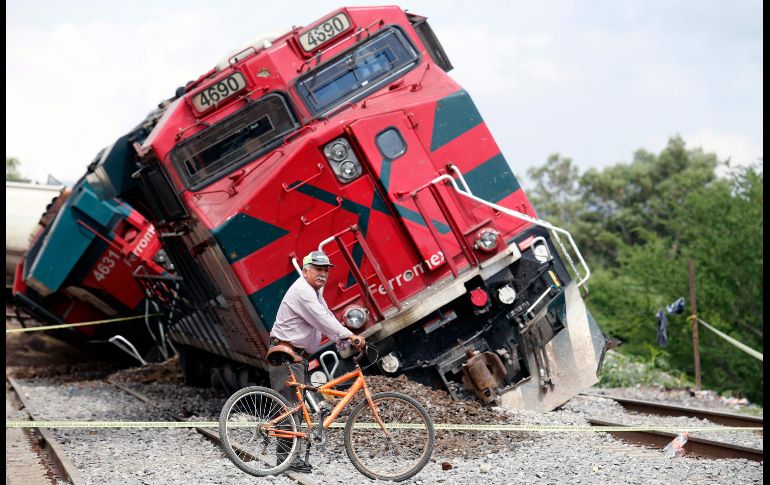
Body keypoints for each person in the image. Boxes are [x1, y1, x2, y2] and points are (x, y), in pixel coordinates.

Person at [267, 250, 366, 473]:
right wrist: (349, 335)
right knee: (290, 407)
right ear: (305, 271)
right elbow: (321, 319)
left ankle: (291, 458)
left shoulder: (314, 291)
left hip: (297, 356)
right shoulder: (303, 291)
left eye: (325, 271)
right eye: (318, 270)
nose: (323, 274)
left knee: (296, 406)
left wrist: (344, 338)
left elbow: (327, 315)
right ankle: (286, 460)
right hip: (287, 354)